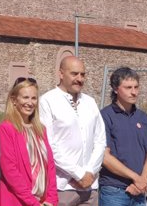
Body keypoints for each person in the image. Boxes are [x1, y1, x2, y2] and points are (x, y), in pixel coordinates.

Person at [39, 55, 106, 206]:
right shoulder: (48, 101)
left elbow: (100, 140)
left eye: (82, 74)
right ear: (61, 74)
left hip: (90, 187)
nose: (79, 79)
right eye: (74, 74)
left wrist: (89, 172)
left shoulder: (90, 102)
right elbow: (48, 145)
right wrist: (78, 174)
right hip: (63, 186)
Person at [99, 67, 147, 206]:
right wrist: (136, 178)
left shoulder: (142, 117)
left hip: (139, 190)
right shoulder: (105, 116)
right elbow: (105, 157)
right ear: (115, 89)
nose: (134, 92)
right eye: (128, 87)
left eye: (136, 87)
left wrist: (142, 180)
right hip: (114, 190)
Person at [0, 77, 58, 206]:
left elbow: (51, 167)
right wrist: (32, 203)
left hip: (43, 201)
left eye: (34, 98)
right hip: (17, 201)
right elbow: (10, 171)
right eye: (25, 97)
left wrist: (51, 200)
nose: (30, 103)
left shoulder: (41, 130)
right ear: (14, 100)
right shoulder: (6, 129)